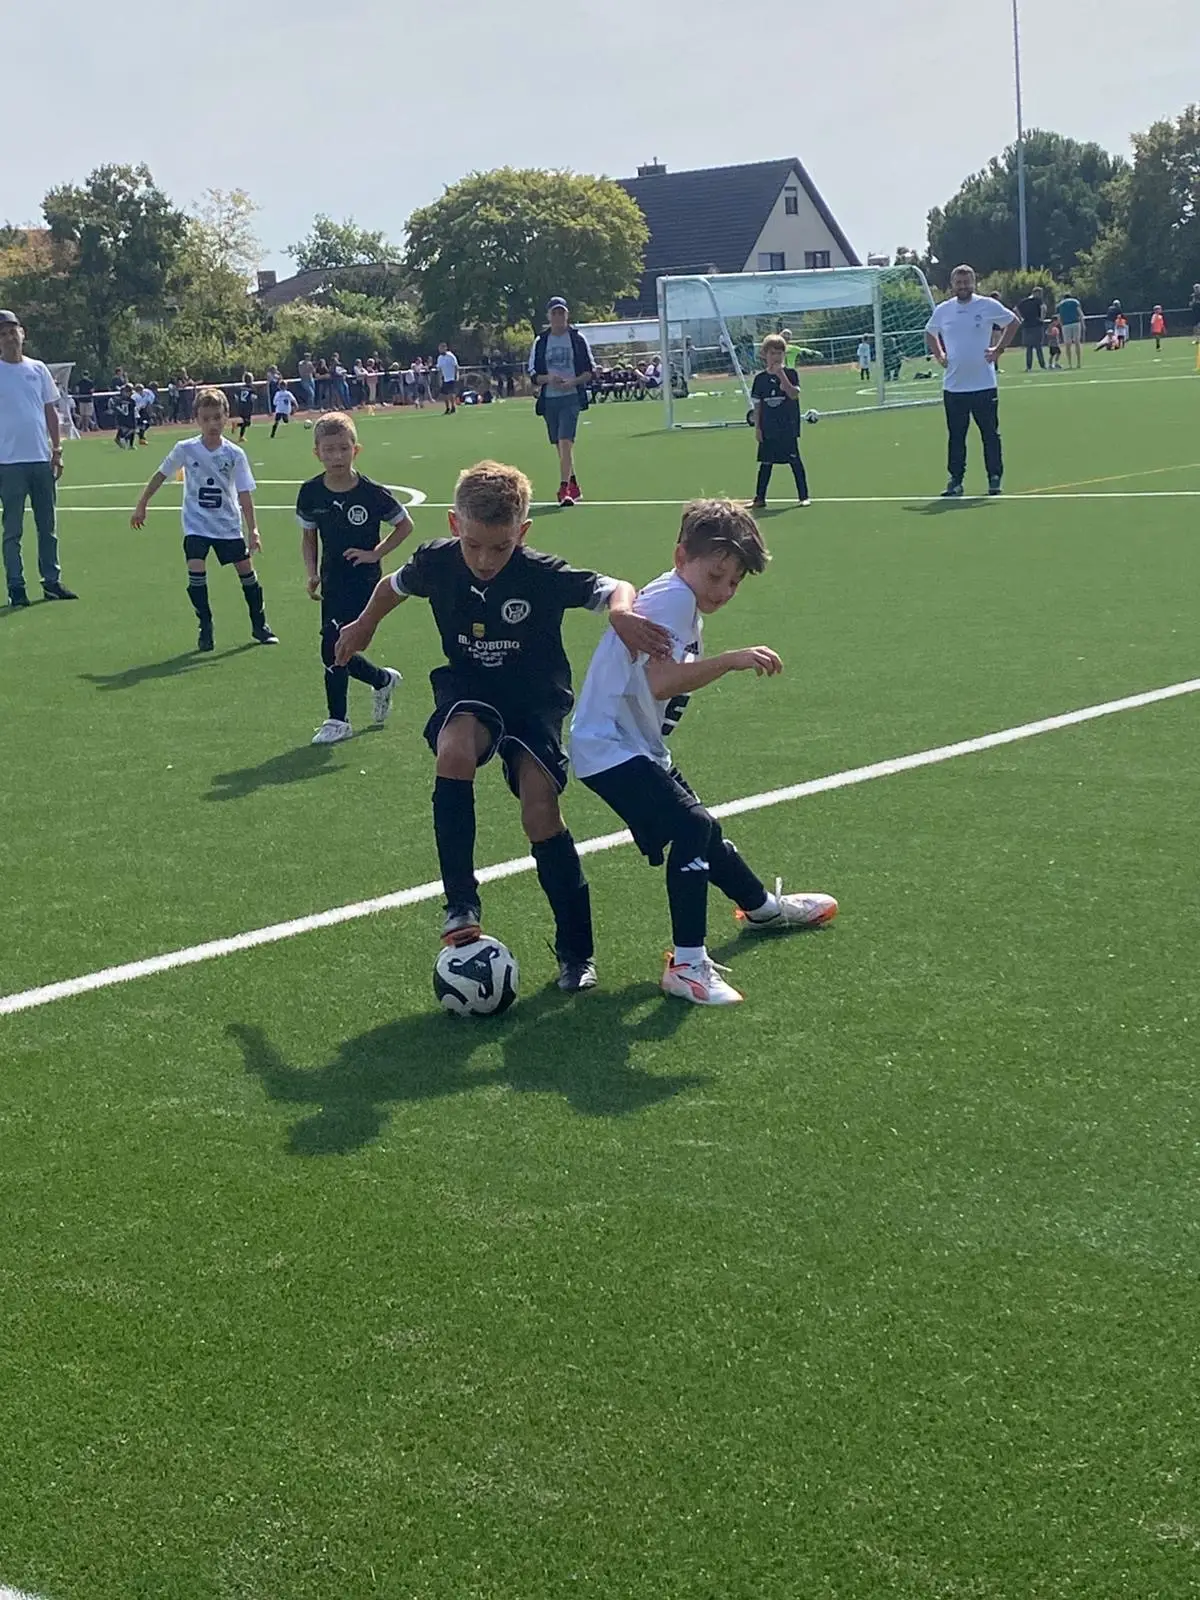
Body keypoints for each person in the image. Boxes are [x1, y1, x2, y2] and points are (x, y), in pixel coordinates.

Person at [333, 459, 672, 992]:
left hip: (535, 699)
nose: (486, 559)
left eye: (501, 547)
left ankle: (576, 952)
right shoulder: (435, 561)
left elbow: (613, 586)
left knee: (540, 810)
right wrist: (364, 625)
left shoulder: (540, 573)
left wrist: (622, 614)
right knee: (454, 751)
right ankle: (461, 903)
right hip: (468, 685)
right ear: (453, 526)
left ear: (523, 533)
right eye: (474, 545)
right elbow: (391, 586)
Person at [570, 499, 837, 1007]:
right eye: (716, 576)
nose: (724, 591)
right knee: (692, 827)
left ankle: (761, 908)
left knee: (703, 829)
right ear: (680, 557)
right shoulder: (673, 598)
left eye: (734, 583)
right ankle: (687, 965)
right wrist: (732, 660)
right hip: (607, 745)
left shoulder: (681, 599)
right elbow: (662, 681)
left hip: (633, 746)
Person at [130, 386, 277, 652]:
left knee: (247, 574)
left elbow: (244, 494)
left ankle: (260, 624)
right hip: (196, 524)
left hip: (228, 525)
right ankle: (205, 625)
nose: (212, 423)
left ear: (226, 417)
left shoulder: (234, 454)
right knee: (196, 571)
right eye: (206, 418)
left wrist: (253, 529)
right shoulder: (185, 449)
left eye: (217, 417)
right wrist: (142, 503)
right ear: (197, 418)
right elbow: (160, 475)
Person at [297, 411, 410, 744]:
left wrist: (375, 553)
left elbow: (405, 525)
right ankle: (380, 680)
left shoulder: (372, 493)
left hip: (363, 580)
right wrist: (311, 573)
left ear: (355, 450)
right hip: (332, 578)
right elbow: (308, 537)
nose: (336, 457)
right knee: (334, 647)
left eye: (343, 449)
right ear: (317, 453)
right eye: (329, 450)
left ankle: (337, 720)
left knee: (335, 643)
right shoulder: (310, 493)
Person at [0, 309, 76, 606]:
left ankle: (51, 581)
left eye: (12, 331)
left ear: (23, 333)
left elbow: (50, 410)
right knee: (13, 530)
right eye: (3, 334)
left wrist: (57, 450)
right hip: (8, 462)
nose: (9, 338)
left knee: (48, 525)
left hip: (40, 459)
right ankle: (16, 586)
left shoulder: (38, 369)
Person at [924, 264, 1018, 497]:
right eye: (959, 282)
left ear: (973, 283)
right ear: (952, 284)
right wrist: (939, 355)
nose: (963, 286)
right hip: (954, 387)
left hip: (983, 385)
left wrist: (999, 349)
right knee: (956, 436)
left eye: (967, 282)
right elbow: (930, 332)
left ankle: (994, 477)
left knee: (990, 433)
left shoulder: (986, 305)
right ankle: (955, 480)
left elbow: (1013, 322)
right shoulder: (944, 310)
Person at [528, 297, 594, 507]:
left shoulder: (577, 339)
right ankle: (574, 484)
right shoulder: (541, 341)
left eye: (561, 313)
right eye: (554, 313)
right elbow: (534, 374)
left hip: (571, 398)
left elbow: (589, 371)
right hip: (550, 400)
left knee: (566, 441)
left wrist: (573, 382)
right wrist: (549, 379)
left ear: (567, 315)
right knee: (560, 446)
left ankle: (564, 488)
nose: (558, 317)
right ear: (548, 316)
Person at [750, 335, 810, 508]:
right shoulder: (760, 379)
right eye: (772, 353)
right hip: (768, 427)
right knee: (766, 463)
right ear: (765, 355)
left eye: (779, 353)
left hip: (787, 426)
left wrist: (781, 375)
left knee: (795, 461)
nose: (776, 356)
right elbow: (758, 405)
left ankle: (803, 496)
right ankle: (759, 498)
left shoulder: (791, 374)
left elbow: (793, 394)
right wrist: (758, 428)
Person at [1017, 286, 1046, 371]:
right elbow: (1043, 308)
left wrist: (1021, 318)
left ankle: (1028, 367)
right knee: (1038, 347)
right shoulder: (1038, 301)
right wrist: (1042, 318)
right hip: (1036, 325)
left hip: (1026, 326)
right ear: (1036, 293)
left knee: (1029, 348)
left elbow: (1016, 308)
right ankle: (1042, 365)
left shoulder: (1024, 301)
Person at [1057, 290, 1085, 368]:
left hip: (1066, 325)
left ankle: (1070, 363)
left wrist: (1061, 325)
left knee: (1067, 344)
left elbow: (1059, 317)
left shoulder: (1060, 304)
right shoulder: (1075, 302)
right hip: (1076, 323)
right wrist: (1083, 324)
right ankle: (1078, 362)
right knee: (1077, 342)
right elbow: (1080, 314)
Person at [111, 383, 138, 449]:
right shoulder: (128, 400)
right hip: (125, 417)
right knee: (127, 429)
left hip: (127, 417)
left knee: (131, 430)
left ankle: (129, 444)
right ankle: (121, 439)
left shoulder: (123, 400)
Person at [436, 342, 460, 414]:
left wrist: (456, 375)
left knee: (451, 393)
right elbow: (439, 369)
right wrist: (440, 379)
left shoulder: (451, 356)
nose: (440, 350)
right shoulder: (439, 358)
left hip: (451, 377)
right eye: (439, 348)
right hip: (445, 378)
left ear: (445, 348)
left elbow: (456, 366)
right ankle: (447, 408)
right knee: (444, 394)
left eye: (442, 348)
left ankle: (453, 407)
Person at [236, 371, 256, 440]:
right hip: (248, 407)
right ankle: (241, 436)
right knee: (247, 423)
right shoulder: (252, 388)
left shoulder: (241, 388)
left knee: (245, 422)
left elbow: (237, 396)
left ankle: (239, 432)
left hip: (241, 406)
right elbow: (253, 397)